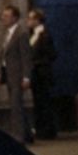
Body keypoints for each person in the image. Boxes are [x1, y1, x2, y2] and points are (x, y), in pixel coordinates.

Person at [0, 5, 33, 143]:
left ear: (15, 18)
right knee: (17, 105)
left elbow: (26, 57)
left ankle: (19, 136)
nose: (3, 18)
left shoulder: (21, 34)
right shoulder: (7, 33)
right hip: (9, 74)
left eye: (6, 16)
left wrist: (26, 77)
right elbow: (3, 56)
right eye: (3, 15)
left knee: (16, 106)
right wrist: (0, 72)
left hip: (18, 75)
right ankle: (28, 134)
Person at [26, 8, 58, 141]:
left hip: (42, 73)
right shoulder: (33, 35)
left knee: (44, 103)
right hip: (36, 74)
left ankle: (48, 130)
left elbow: (52, 54)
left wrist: (38, 62)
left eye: (31, 18)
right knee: (39, 103)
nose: (28, 21)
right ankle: (41, 129)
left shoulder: (44, 34)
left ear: (38, 20)